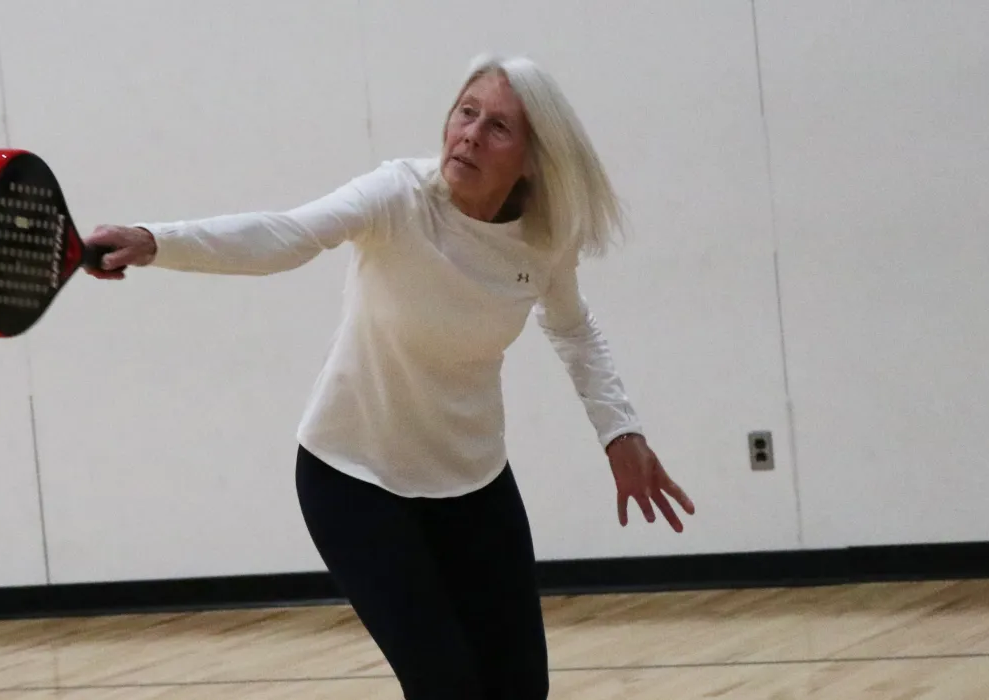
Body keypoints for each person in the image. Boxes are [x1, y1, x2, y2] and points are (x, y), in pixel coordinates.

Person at [82, 53, 695, 699]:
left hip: (474, 483)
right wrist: (156, 240)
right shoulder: (396, 195)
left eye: (498, 128)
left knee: (518, 689)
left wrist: (619, 432)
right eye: (466, 112)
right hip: (353, 479)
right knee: (446, 687)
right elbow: (286, 235)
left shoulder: (545, 237)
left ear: (533, 158)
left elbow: (573, 328)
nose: (469, 135)